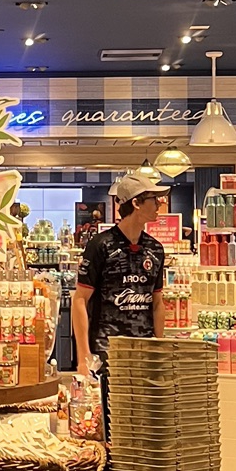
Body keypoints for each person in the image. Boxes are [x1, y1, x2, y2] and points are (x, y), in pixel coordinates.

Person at [72, 169, 168, 437]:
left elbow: (157, 303)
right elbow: (80, 300)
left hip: (144, 353)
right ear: (135, 203)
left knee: (144, 425)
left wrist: (159, 348)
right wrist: (84, 357)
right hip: (107, 354)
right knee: (109, 427)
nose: (159, 204)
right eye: (154, 199)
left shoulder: (155, 249)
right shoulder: (101, 246)